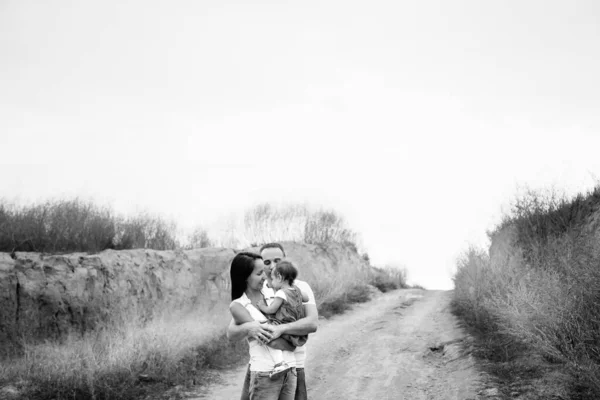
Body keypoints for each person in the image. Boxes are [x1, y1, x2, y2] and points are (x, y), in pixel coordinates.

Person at [228, 243, 318, 400]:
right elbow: (232, 331)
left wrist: (281, 330)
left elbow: (312, 323)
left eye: (277, 260)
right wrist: (250, 327)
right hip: (264, 366)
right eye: (267, 263)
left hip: (294, 364)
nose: (273, 266)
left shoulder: (299, 287)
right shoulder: (262, 290)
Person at [256, 260, 309, 348]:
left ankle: (269, 341)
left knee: (268, 325)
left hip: (284, 323)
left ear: (279, 278)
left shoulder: (281, 293)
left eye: (272, 279)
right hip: (296, 324)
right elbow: (306, 298)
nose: (271, 282)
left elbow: (271, 309)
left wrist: (262, 306)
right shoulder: (296, 289)